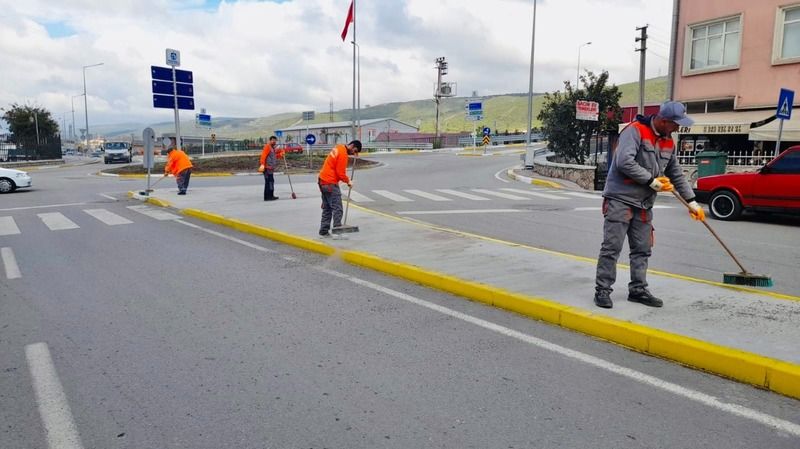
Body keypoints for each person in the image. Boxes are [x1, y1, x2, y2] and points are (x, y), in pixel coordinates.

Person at [594, 101, 705, 309]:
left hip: (644, 204)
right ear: (663, 121)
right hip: (620, 199)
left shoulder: (668, 142)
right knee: (612, 247)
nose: (678, 128)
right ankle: (602, 289)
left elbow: (676, 173)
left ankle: (638, 290)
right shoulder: (634, 131)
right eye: (675, 124)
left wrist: (692, 202)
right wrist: (651, 181)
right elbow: (624, 162)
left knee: (642, 249)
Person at [318, 140, 361, 236]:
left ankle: (324, 231)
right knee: (337, 207)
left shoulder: (338, 147)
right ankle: (337, 229)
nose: (354, 153)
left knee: (327, 208)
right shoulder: (343, 154)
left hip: (322, 180)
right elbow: (340, 173)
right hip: (330, 182)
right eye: (355, 150)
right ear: (352, 145)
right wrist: (348, 181)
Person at [259, 136, 284, 201]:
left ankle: (271, 195)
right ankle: (267, 197)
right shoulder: (267, 147)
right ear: (270, 140)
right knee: (268, 182)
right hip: (267, 168)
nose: (274, 141)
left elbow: (274, 157)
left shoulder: (272, 148)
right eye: (273, 140)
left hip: (271, 168)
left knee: (271, 181)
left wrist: (281, 154)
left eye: (275, 140)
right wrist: (262, 165)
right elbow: (263, 156)